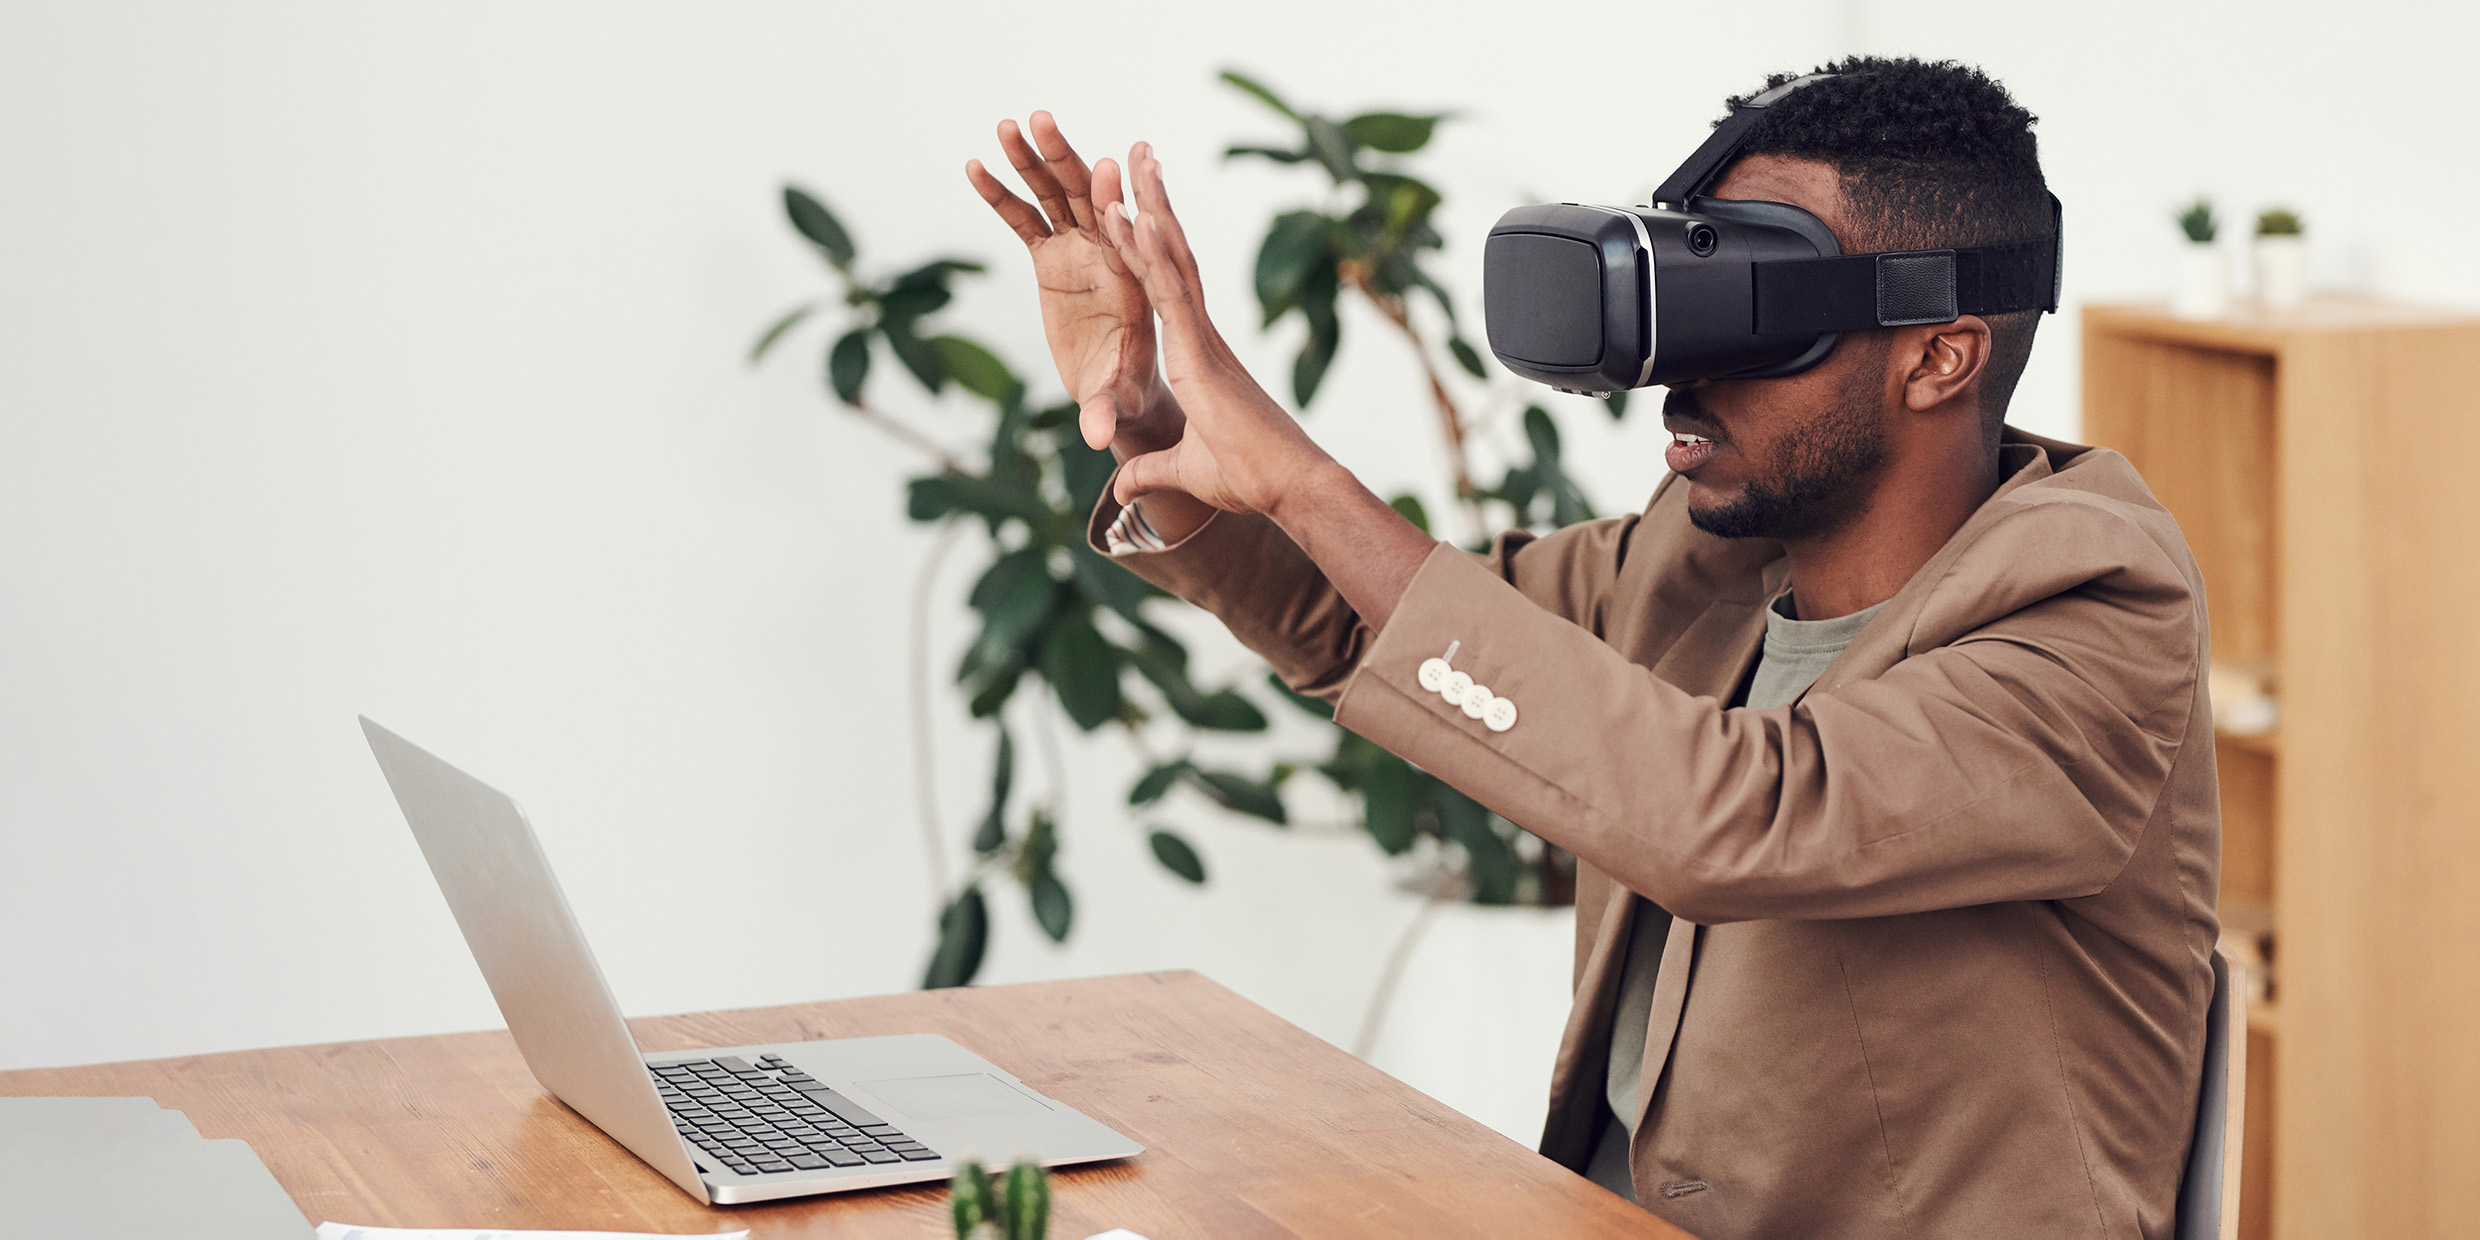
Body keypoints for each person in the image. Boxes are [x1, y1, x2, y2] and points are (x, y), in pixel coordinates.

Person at [967, 56, 2219, 1239]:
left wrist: (1300, 477)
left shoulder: (2090, 606)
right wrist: (1156, 427)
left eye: (1753, 309)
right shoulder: (1703, 565)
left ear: (1938, 355)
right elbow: (1383, 632)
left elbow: (1744, 816)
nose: (1679, 375)